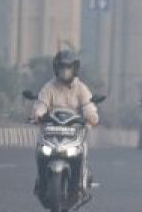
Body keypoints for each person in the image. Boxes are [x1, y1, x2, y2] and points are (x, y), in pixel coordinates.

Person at [31, 49, 100, 197]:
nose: (65, 71)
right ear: (56, 68)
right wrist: (38, 114)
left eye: (68, 67)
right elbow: (42, 104)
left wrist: (91, 116)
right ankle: (41, 181)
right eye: (62, 67)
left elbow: (88, 105)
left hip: (74, 131)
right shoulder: (49, 87)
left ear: (75, 68)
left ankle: (80, 181)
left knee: (81, 152)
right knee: (40, 151)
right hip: (51, 130)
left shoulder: (81, 88)